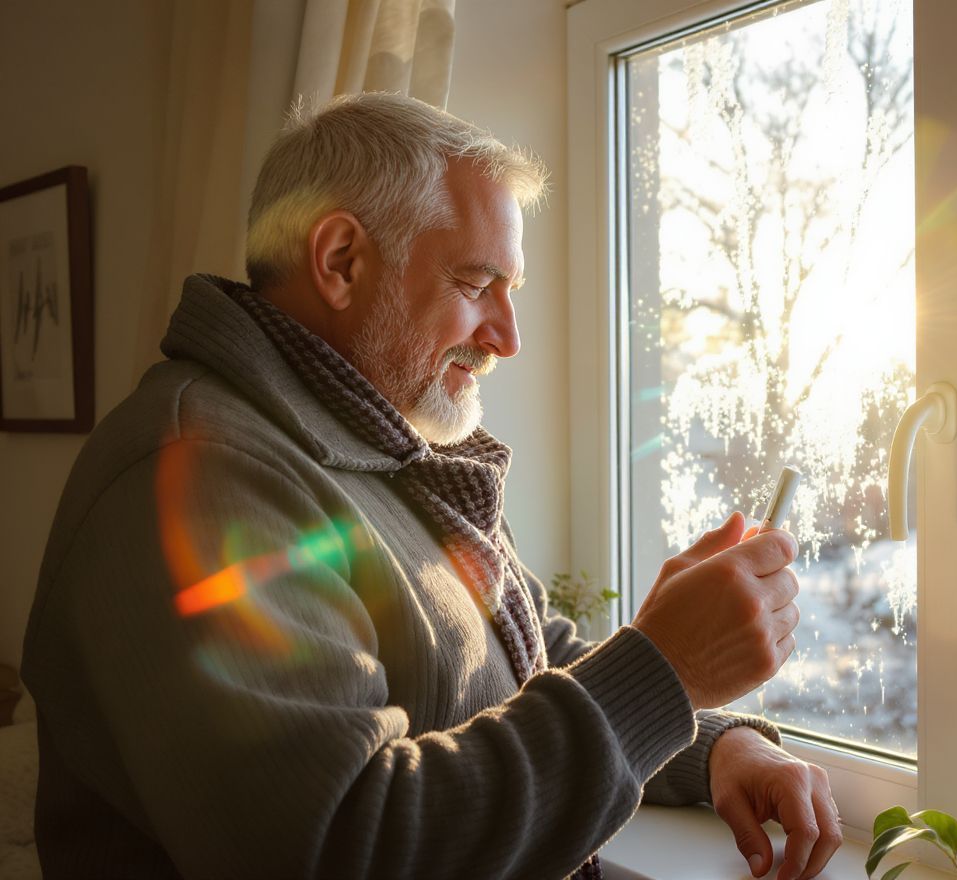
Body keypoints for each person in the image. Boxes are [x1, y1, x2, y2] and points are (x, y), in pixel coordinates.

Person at [21, 93, 841, 880]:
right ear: (341, 261)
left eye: (511, 291)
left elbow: (525, 659)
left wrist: (711, 743)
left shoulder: (384, 442)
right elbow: (345, 844)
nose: (508, 338)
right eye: (477, 283)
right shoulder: (196, 478)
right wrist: (668, 667)